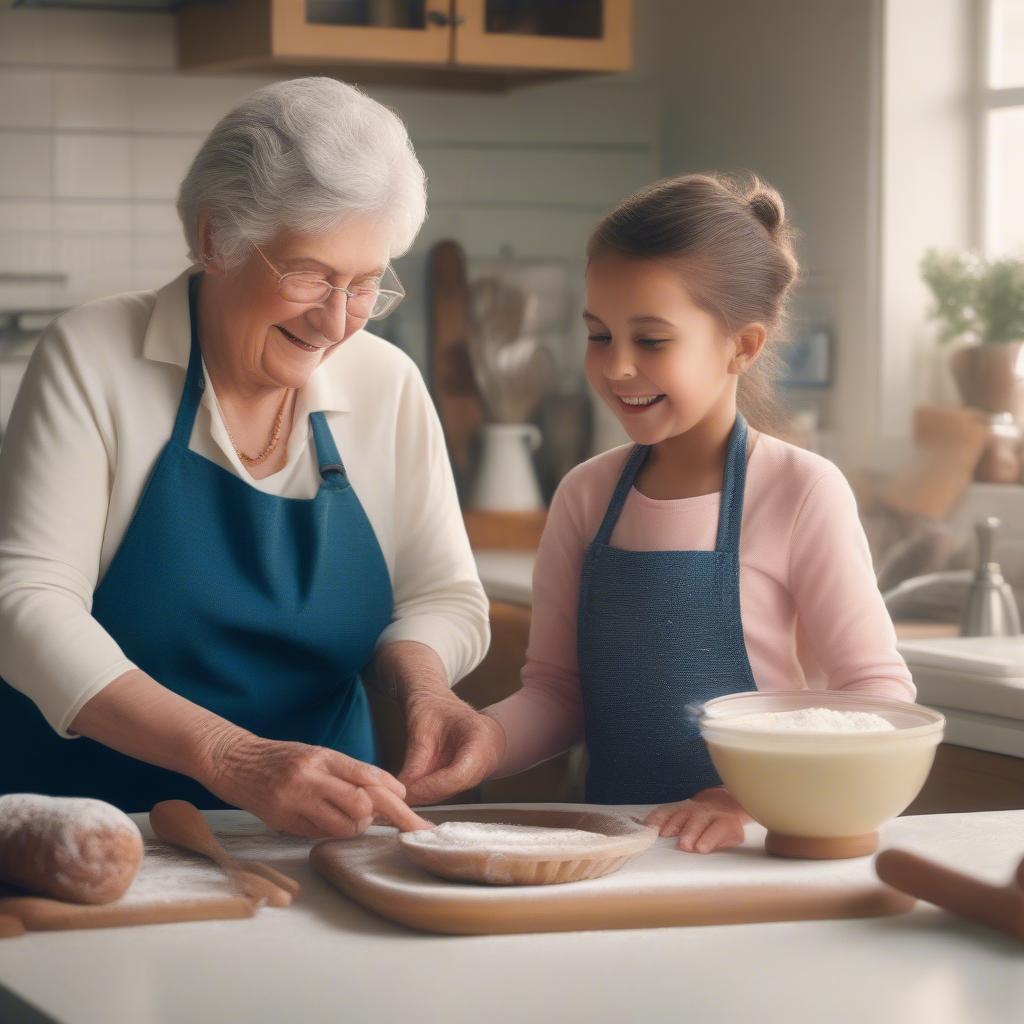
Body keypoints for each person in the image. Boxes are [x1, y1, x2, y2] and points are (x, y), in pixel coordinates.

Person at [0, 77, 504, 835]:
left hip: (321, 836)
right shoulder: (94, 356)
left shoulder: (387, 383)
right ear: (216, 239)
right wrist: (232, 758)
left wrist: (425, 687)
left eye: (365, 285)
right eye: (311, 274)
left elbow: (444, 596)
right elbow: (25, 602)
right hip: (96, 831)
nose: (337, 321)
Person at [474, 173, 916, 852]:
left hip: (758, 856)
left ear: (742, 346)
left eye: (651, 341)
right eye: (599, 335)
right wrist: (483, 741)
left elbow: (878, 697)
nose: (617, 367)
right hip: (616, 854)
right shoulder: (585, 496)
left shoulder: (799, 492)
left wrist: (749, 799)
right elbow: (560, 695)